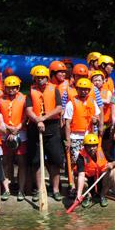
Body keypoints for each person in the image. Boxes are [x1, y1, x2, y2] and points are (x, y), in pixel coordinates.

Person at [25, 65, 65, 202]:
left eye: (43, 78)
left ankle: (55, 190)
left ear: (47, 78)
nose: (41, 80)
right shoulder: (31, 91)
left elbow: (59, 108)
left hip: (52, 127)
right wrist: (37, 120)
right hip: (35, 127)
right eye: (38, 78)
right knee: (36, 161)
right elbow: (29, 110)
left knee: (55, 161)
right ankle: (40, 189)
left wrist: (44, 118)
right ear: (35, 78)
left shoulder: (54, 89)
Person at [64, 78, 101, 186]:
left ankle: (89, 186)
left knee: (89, 162)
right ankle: (73, 186)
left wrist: (96, 120)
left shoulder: (92, 101)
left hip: (89, 137)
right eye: (81, 89)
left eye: (86, 89)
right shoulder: (71, 103)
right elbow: (67, 123)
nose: (84, 91)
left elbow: (97, 116)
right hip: (75, 137)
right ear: (77, 89)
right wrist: (68, 140)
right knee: (75, 162)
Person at [0, 76, 27, 201]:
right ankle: (7, 189)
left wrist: (19, 127)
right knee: (6, 162)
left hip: (21, 134)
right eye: (9, 88)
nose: (11, 90)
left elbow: (26, 115)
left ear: (17, 88)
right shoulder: (0, 100)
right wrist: (7, 128)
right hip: (5, 133)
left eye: (14, 88)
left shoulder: (24, 99)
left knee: (21, 162)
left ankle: (21, 190)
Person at [74, 133, 114, 208]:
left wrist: (111, 164)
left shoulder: (102, 151)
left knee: (111, 173)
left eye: (94, 146)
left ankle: (102, 195)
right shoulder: (81, 157)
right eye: (89, 146)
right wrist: (79, 194)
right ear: (85, 147)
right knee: (76, 179)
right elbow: (81, 175)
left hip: (100, 179)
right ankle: (88, 196)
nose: (92, 148)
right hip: (88, 181)